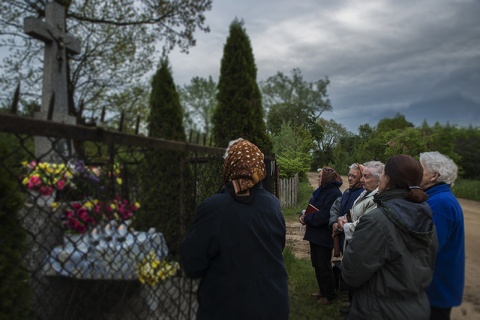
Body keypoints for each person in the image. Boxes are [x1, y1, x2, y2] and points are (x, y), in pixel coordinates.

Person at [179, 138, 289, 320]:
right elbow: (278, 246)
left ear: (229, 166)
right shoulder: (272, 203)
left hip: (230, 309)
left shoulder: (214, 208)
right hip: (274, 305)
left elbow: (191, 264)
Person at [342, 154, 438, 320]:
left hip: (378, 310)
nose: (380, 179)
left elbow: (352, 272)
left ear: (390, 180)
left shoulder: (377, 220)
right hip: (417, 306)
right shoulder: (426, 215)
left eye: (384, 173)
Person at [420, 151, 465, 320]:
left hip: (436, 290)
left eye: (420, 169)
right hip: (435, 287)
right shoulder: (437, 197)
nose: (416, 173)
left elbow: (427, 248)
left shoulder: (440, 202)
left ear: (434, 176)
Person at [334, 160, 383, 315]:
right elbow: (354, 212)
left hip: (362, 247)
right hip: (353, 245)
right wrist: (343, 218)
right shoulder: (365, 192)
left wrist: (344, 226)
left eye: (366, 177)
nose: (362, 180)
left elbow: (364, 225)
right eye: (363, 176)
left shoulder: (377, 198)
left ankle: (356, 311)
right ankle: (352, 307)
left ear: (379, 180)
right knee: (352, 281)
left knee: (361, 283)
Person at [300, 166, 342, 305]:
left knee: (324, 265)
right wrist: (305, 215)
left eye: (320, 176)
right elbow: (314, 207)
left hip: (323, 234)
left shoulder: (334, 193)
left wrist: (307, 219)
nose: (318, 179)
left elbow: (324, 216)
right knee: (317, 264)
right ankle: (323, 291)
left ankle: (329, 295)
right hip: (315, 233)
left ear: (326, 178)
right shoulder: (322, 191)